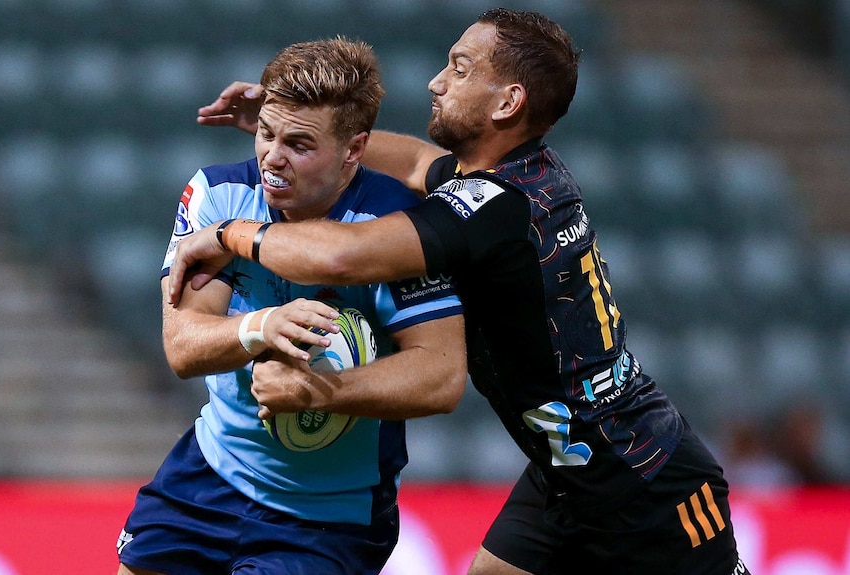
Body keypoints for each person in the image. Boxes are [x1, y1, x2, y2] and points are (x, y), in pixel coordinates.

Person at [173, 8, 750, 575]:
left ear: (508, 102)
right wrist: (305, 129)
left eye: (461, 67)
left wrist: (230, 233)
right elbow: (418, 161)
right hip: (562, 467)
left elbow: (341, 255)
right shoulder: (513, 177)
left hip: (640, 476)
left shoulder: (491, 207)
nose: (437, 81)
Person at [116, 37, 466, 575]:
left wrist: (319, 392)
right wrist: (259, 328)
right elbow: (182, 346)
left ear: (355, 149)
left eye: (299, 144)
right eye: (265, 132)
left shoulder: (400, 228)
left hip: (331, 516)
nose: (272, 159)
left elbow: (441, 376)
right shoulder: (220, 194)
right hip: (209, 474)